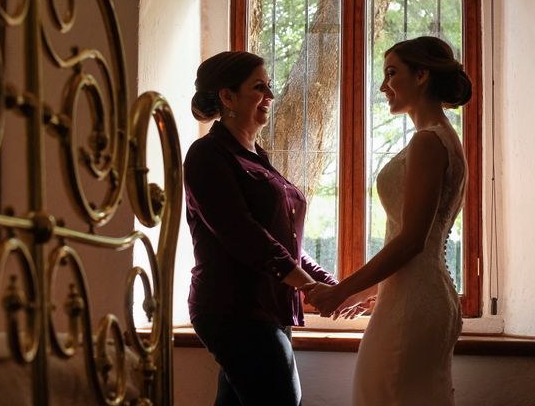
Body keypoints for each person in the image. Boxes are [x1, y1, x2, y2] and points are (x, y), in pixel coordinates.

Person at [302, 36, 472, 405]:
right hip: (420, 294)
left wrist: (341, 289)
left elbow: (412, 240)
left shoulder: (429, 142)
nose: (383, 85)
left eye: (392, 73)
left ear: (422, 74)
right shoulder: (444, 138)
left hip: (414, 301)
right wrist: (371, 291)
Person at [184, 51, 338, 406]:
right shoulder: (207, 155)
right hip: (232, 308)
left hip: (268, 306)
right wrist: (306, 285)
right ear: (227, 96)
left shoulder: (259, 158)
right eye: (259, 87)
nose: (270, 96)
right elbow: (243, 233)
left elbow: (285, 239)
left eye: (269, 87)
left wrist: (328, 282)